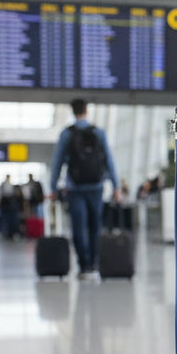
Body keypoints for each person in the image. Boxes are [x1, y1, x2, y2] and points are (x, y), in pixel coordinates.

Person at [48, 99, 121, 279]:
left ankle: (84, 266)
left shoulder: (67, 134)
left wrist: (53, 187)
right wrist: (116, 186)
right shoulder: (99, 132)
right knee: (95, 226)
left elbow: (57, 162)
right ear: (87, 110)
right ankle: (94, 263)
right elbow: (109, 161)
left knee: (78, 227)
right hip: (96, 186)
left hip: (75, 187)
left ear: (73, 111)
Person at [0, 175, 21, 239]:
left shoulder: (12, 185)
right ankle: (6, 233)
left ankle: (11, 233)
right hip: (5, 206)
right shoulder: (3, 185)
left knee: (12, 220)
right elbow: (0, 195)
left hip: (11, 206)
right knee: (5, 220)